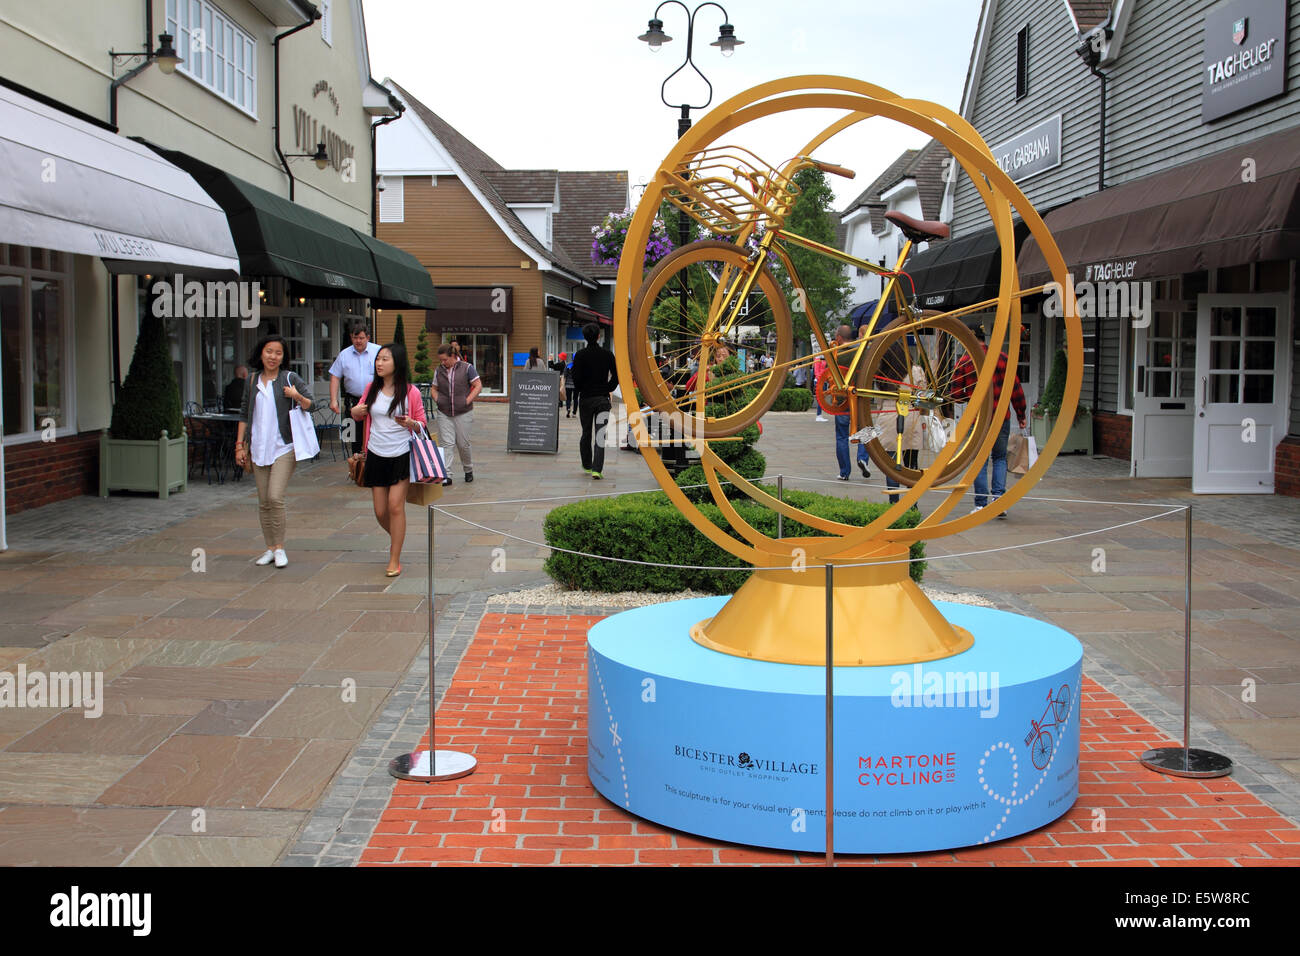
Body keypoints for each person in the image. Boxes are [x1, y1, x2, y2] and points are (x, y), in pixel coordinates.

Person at [234, 334, 312, 568]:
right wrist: (240, 445)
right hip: (258, 447)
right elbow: (244, 413)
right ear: (261, 353)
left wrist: (295, 395)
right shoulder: (253, 380)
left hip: (284, 447)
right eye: (269, 351)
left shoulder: (289, 378)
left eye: (278, 353)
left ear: (283, 357)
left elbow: (311, 404)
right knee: (263, 501)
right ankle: (269, 547)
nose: (273, 356)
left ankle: (280, 548)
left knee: (275, 497)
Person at [351, 342, 427, 577]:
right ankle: (398, 536)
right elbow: (357, 413)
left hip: (402, 453)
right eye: (378, 359)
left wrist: (411, 424)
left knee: (395, 506)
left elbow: (422, 423)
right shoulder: (371, 388)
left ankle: (394, 558)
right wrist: (356, 412)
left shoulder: (410, 391)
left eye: (385, 359)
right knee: (380, 511)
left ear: (397, 363)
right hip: (375, 453)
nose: (379, 363)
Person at [952, 327, 1028, 517]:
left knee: (979, 461)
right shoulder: (1002, 358)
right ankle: (999, 501)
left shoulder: (965, 361)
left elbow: (954, 394)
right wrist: (1021, 414)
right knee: (1000, 458)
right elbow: (1015, 388)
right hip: (1001, 417)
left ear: (970, 339)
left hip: (977, 419)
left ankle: (980, 504)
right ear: (984, 340)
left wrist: (969, 395)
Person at [571, 322, 617, 479]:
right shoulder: (608, 354)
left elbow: (575, 379)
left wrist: (583, 389)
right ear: (599, 336)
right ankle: (597, 469)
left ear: (584, 336)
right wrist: (607, 388)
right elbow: (616, 376)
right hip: (602, 399)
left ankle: (587, 465)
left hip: (586, 399)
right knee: (600, 434)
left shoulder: (580, 355)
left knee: (586, 432)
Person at [431, 343, 481, 485]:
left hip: (463, 412)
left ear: (453, 356)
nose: (443, 363)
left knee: (463, 444)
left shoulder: (467, 368)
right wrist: (437, 399)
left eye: (445, 360)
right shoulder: (439, 370)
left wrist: (467, 400)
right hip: (444, 412)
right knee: (447, 443)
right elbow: (434, 388)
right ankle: (447, 474)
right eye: (440, 360)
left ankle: (468, 469)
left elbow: (478, 385)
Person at [329, 321, 379, 457]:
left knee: (374, 433)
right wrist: (333, 400)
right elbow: (334, 376)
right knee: (352, 436)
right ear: (351, 337)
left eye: (361, 338)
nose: (358, 341)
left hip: (374, 399)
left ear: (368, 338)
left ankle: (372, 463)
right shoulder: (344, 355)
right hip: (353, 400)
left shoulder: (378, 352)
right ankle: (356, 466)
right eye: (355, 338)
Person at [832, 324, 870, 481]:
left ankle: (844, 472)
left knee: (841, 436)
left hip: (841, 401)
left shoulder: (835, 354)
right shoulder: (861, 352)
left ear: (839, 338)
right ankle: (863, 458)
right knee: (866, 430)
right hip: (860, 397)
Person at [812, 351, 829, 422]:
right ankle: (818, 415)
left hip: (823, 380)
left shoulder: (823, 359)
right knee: (820, 399)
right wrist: (821, 380)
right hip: (819, 381)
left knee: (822, 399)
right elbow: (816, 372)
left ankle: (819, 415)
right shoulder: (817, 359)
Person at [563, 352, 578, 417]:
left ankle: (568, 408)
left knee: (568, 398)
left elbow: (565, 375)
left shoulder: (568, 365)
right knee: (575, 399)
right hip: (576, 385)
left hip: (568, 385)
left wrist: (563, 384)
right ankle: (574, 413)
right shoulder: (580, 366)